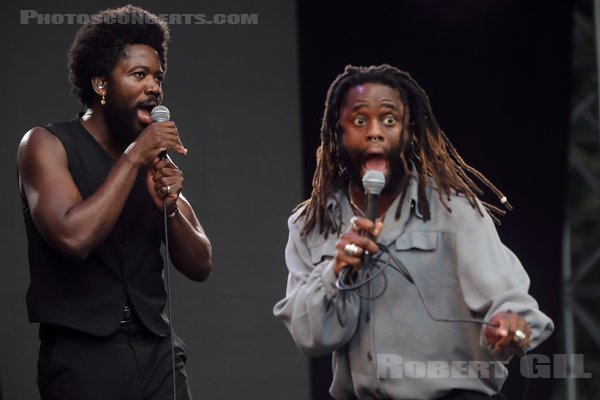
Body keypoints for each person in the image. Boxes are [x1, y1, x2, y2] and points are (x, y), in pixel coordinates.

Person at [273, 64, 554, 399]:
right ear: (338, 132)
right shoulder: (310, 225)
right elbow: (310, 337)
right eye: (360, 121)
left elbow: (510, 303)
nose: (375, 132)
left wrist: (511, 325)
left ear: (410, 133)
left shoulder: (454, 212)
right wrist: (335, 272)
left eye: (389, 120)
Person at [17, 6, 212, 400]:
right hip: (82, 355)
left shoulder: (151, 158)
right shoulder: (45, 144)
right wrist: (135, 156)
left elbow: (200, 264)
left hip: (157, 351)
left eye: (158, 77)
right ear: (101, 84)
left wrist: (170, 208)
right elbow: (73, 238)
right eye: (139, 75)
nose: (154, 87)